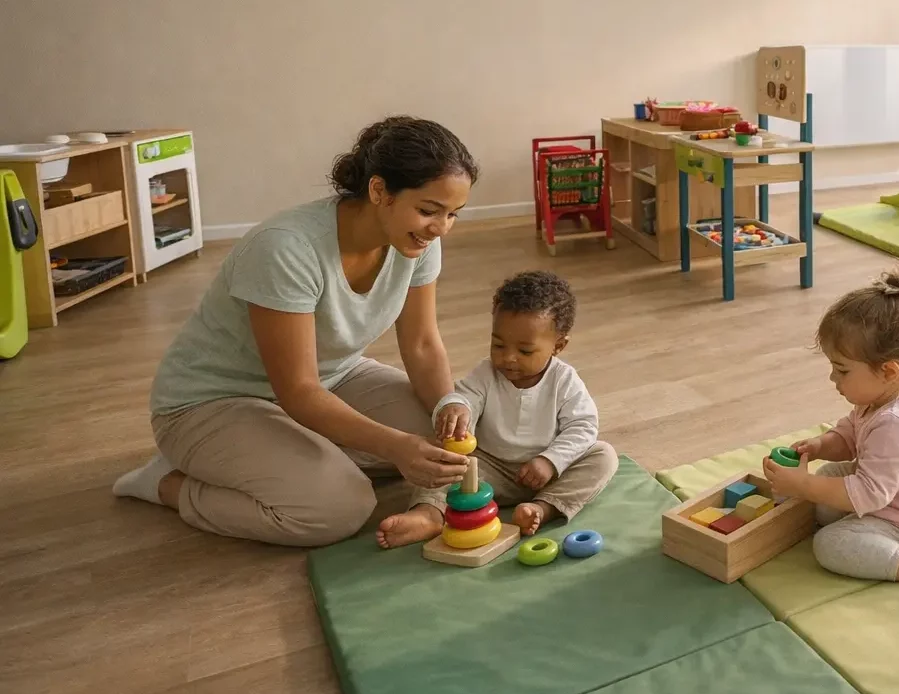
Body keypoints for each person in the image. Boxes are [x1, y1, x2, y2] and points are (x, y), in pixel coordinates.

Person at [113, 116, 480, 547]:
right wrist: (396, 447)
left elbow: (420, 343)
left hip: (333, 378)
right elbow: (299, 391)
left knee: (456, 440)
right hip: (212, 401)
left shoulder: (417, 242)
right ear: (379, 191)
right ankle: (167, 482)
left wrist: (447, 403)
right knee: (337, 509)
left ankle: (383, 490)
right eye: (428, 210)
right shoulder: (286, 248)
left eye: (452, 214)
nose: (441, 228)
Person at [376, 270, 619, 548]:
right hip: (487, 468)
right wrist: (455, 409)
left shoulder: (564, 381)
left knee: (603, 456)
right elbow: (466, 397)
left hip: (547, 473)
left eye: (525, 351)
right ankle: (428, 513)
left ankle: (542, 509)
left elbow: (584, 426)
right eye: (498, 345)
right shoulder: (486, 373)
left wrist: (551, 461)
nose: (508, 358)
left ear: (558, 346)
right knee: (443, 459)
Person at [762, 267, 899, 601]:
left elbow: (871, 495)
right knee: (826, 489)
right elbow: (850, 436)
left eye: (841, 370)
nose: (832, 378)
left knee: (829, 544)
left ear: (888, 371)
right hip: (888, 494)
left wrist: (802, 485)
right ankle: (835, 509)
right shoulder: (879, 397)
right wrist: (821, 445)